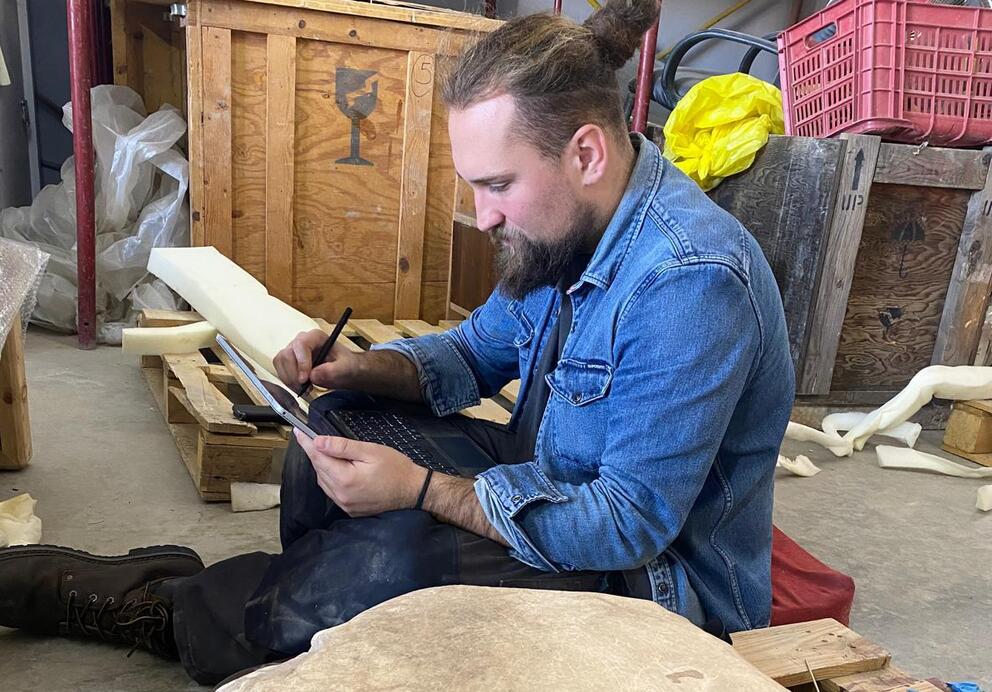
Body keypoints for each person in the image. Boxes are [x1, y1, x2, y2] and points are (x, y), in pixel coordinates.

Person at [0, 0, 794, 684]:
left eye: (497, 186)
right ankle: (309, 628)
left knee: (398, 562)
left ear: (585, 152)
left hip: (660, 584)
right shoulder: (572, 226)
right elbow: (476, 352)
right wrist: (361, 367)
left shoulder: (690, 280)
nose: (483, 216)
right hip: (557, 484)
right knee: (340, 417)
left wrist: (422, 493)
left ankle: (185, 611)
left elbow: (626, 525)